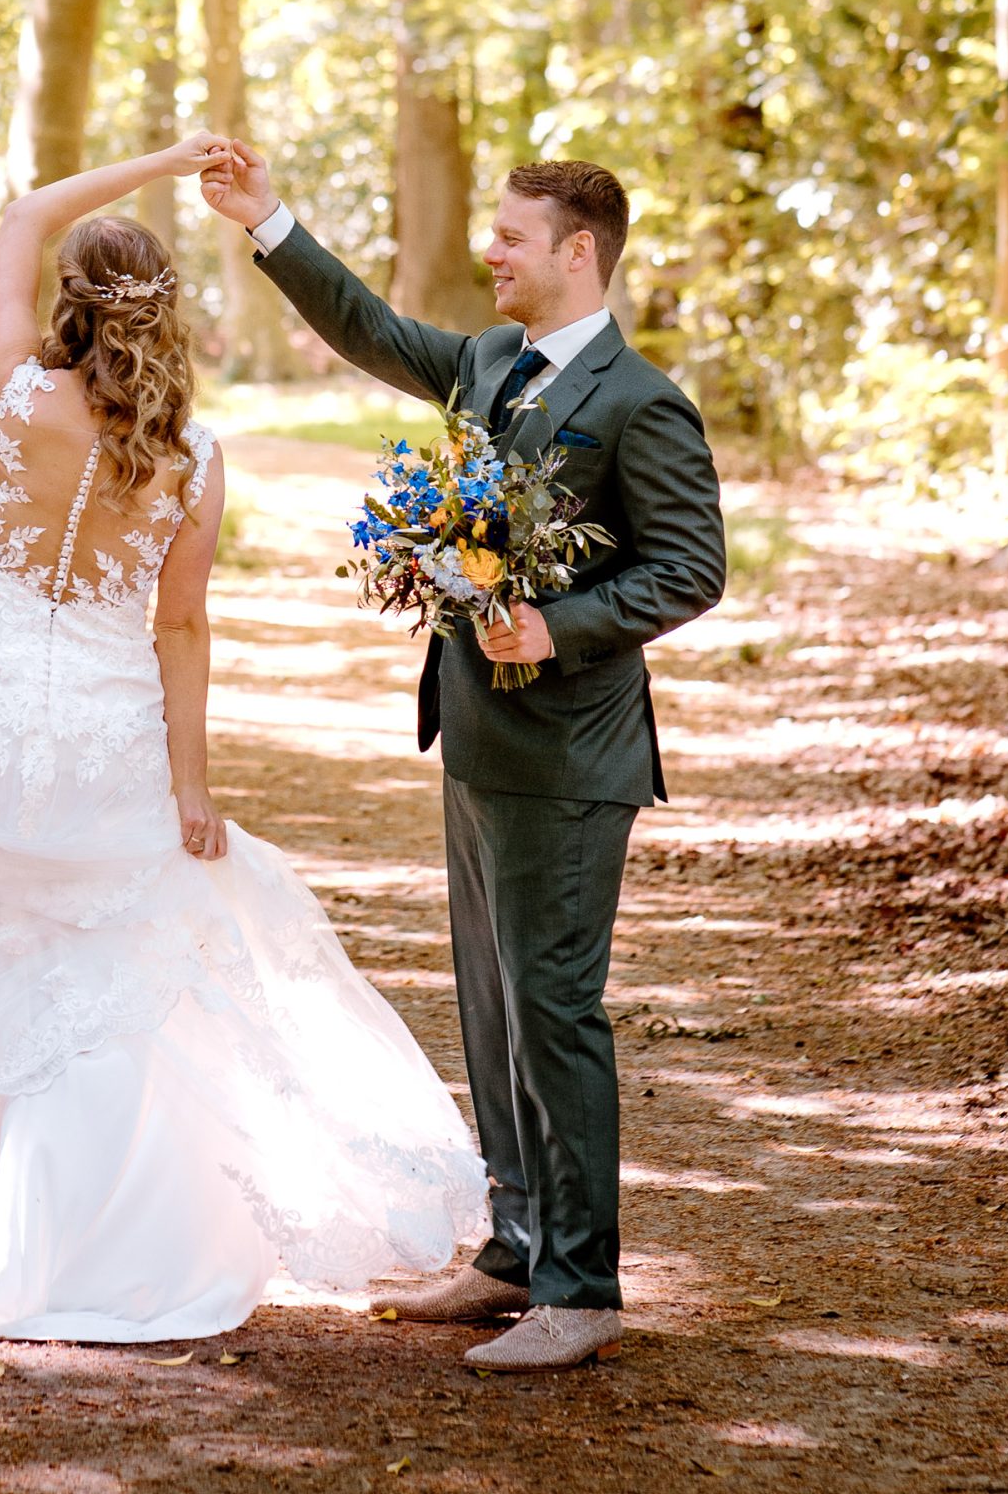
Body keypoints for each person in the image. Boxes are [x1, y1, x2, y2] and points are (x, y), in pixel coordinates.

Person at [0, 136, 485, 1343]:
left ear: (69, 301)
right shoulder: (193, 459)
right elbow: (179, 630)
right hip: (102, 745)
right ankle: (108, 1254)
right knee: (108, 984)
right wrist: (191, 791)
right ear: (167, 316)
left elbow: (20, 212)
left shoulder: (11, 391)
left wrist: (166, 156)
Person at [201, 147, 726, 1372]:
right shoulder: (490, 362)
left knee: (553, 1010)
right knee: (492, 1012)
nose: (490, 253)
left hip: (575, 754)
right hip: (479, 742)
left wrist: (561, 622)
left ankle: (582, 1288)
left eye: (511, 239)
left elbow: (692, 566)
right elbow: (372, 330)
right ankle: (512, 1252)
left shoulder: (643, 402)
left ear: (578, 252)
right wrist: (269, 222)